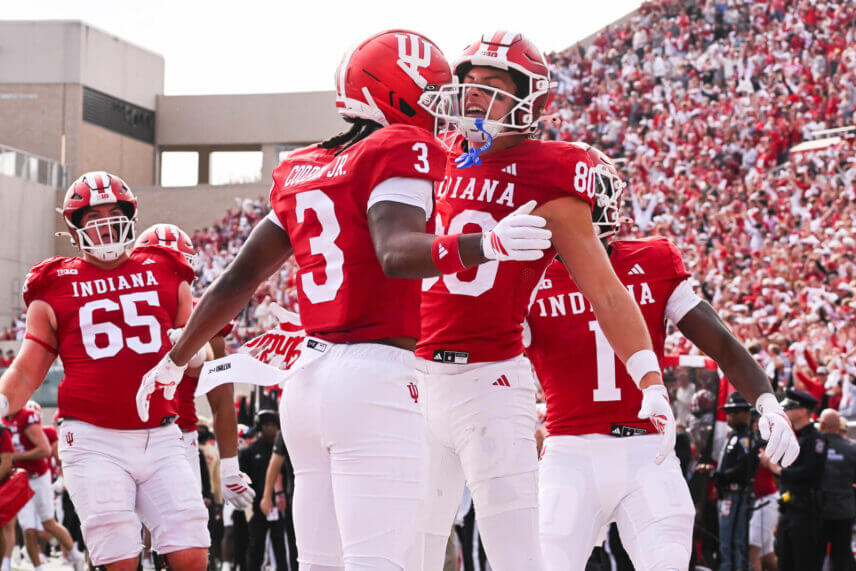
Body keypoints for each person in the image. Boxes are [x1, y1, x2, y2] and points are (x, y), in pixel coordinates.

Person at [141, 30, 552, 570]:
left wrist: (174, 359)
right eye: (433, 95)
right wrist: (486, 243)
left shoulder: (305, 165)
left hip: (308, 383)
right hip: (374, 380)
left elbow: (237, 279)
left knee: (321, 564)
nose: (444, 110)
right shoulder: (400, 145)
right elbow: (397, 251)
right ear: (398, 98)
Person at [415, 32, 677, 570]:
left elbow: (605, 288)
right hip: (413, 375)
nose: (474, 96)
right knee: (412, 544)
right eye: (469, 85)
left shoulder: (554, 169)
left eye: (492, 86)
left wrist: (649, 377)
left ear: (530, 97)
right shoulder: (430, 155)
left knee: (517, 555)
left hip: (491, 379)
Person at [523, 145, 797, 570]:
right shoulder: (526, 277)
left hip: (648, 450)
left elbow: (722, 343)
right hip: (569, 452)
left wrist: (767, 401)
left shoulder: (651, 260)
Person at [0, 172, 210, 570]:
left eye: (115, 213)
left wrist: (194, 355)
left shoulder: (166, 268)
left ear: (131, 215)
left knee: (191, 551)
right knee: (118, 558)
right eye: (94, 216)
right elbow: (28, 371)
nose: (107, 223)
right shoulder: (54, 284)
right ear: (74, 226)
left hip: (162, 435)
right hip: (93, 438)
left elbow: (200, 345)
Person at [135, 224, 253, 509]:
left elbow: (222, 398)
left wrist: (229, 468)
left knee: (182, 543)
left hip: (177, 436)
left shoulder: (205, 316)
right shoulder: (120, 310)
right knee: (118, 539)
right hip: (120, 434)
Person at [2, 400, 84, 571]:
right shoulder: (5, 422)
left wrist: (16, 456)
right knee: (28, 530)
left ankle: (75, 555)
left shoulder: (27, 417)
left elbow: (46, 450)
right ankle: (37, 567)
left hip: (39, 476)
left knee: (48, 523)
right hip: (20, 479)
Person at [775, 389, 826, 571]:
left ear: (803, 411)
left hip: (805, 512)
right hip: (788, 509)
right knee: (784, 561)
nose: (786, 411)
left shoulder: (815, 439)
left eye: (790, 408)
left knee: (803, 562)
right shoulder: (793, 437)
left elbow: (810, 472)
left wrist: (779, 471)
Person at [714, 392, 756, 571]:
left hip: (736, 493)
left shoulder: (745, 438)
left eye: (734, 412)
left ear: (746, 413)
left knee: (734, 541)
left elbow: (745, 466)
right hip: (728, 493)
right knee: (727, 541)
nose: (729, 416)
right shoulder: (733, 436)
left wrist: (722, 476)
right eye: (728, 412)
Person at [817, 408, 856, 570]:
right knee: (841, 556)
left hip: (818, 511)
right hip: (844, 511)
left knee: (816, 555)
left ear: (822, 424)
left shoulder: (813, 446)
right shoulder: (851, 448)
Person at [259, 430, 297, 571]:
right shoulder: (290, 424)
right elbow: (274, 464)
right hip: (298, 496)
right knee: (296, 548)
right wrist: (267, 496)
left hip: (330, 494)